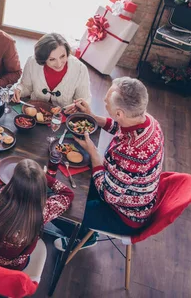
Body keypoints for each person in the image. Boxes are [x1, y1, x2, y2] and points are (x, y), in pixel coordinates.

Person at [54, 77, 164, 251]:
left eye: (106, 103)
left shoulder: (131, 152)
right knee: (70, 185)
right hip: (130, 193)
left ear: (119, 113)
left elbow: (108, 195)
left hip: (122, 215)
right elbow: (119, 128)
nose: (104, 102)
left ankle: (83, 237)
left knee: (55, 203)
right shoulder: (147, 120)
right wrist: (92, 117)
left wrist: (93, 153)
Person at [0, 159, 73, 270]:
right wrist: (42, 177)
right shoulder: (43, 211)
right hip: (12, 265)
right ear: (40, 187)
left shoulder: (2, 195)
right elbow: (68, 194)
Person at [13, 33, 91, 112]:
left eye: (62, 56)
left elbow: (84, 100)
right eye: (52, 59)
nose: (59, 64)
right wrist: (19, 90)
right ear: (43, 59)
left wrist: (76, 106)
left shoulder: (80, 69)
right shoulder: (32, 62)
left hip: (62, 117)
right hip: (35, 111)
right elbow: (26, 87)